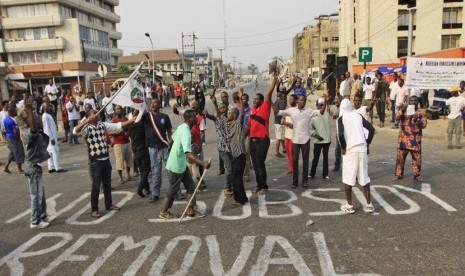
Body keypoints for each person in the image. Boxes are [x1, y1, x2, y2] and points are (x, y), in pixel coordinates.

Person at [73, 109, 136, 218]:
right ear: (89, 116)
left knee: (107, 184)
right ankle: (94, 209)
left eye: (97, 112)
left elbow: (117, 126)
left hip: (105, 159)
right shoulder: (87, 128)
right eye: (94, 113)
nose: (97, 114)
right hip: (95, 161)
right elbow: (75, 131)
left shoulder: (103, 125)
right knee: (96, 186)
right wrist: (87, 121)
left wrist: (131, 121)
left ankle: (109, 204)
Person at [159, 110, 210, 219]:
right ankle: (163, 211)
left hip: (180, 163)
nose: (196, 119)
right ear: (188, 119)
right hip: (176, 165)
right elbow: (189, 154)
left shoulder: (182, 126)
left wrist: (174, 150)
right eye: (194, 117)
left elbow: (172, 140)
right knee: (173, 189)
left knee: (190, 186)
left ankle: (191, 211)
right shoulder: (186, 131)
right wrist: (202, 163)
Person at [275, 94, 328, 188]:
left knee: (305, 161)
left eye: (304, 100)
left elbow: (321, 112)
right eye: (301, 100)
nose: (302, 102)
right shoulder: (291, 110)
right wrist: (270, 102)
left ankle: (305, 181)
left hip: (305, 140)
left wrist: (325, 102)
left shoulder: (309, 111)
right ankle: (295, 182)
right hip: (295, 140)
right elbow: (278, 112)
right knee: (295, 161)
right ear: (297, 101)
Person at [337, 99, 375, 214]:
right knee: (364, 176)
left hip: (350, 149)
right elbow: (372, 129)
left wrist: (343, 147)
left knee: (349, 177)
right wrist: (367, 142)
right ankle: (369, 205)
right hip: (362, 147)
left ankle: (349, 205)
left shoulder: (341, 118)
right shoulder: (358, 115)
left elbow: (341, 134)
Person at [245, 74, 278, 195]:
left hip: (262, 141)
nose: (254, 101)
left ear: (262, 101)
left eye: (256, 99)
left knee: (259, 163)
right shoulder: (252, 110)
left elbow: (268, 94)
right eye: (253, 99)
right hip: (252, 141)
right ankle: (259, 186)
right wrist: (241, 138)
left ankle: (264, 186)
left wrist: (274, 81)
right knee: (255, 164)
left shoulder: (265, 107)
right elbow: (248, 126)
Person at [23, 102, 52, 229]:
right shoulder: (28, 133)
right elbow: (33, 128)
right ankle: (35, 221)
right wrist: (29, 112)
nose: (39, 121)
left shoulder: (37, 133)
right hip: (32, 167)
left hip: (36, 166)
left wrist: (33, 114)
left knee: (41, 194)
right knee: (36, 195)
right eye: (36, 120)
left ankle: (42, 216)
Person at [142, 98, 172, 202]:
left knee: (170, 171)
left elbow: (169, 131)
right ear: (151, 106)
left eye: (156, 103)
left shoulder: (165, 117)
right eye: (153, 103)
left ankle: (175, 191)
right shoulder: (146, 117)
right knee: (156, 172)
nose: (154, 105)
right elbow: (137, 116)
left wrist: (170, 142)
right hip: (153, 149)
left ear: (159, 105)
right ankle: (155, 194)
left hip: (164, 147)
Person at [205, 86, 232, 197]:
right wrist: (207, 112)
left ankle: (230, 186)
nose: (222, 109)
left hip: (232, 148)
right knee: (229, 169)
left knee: (232, 169)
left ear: (227, 109)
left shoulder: (231, 117)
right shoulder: (217, 118)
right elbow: (212, 114)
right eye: (220, 108)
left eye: (223, 108)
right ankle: (226, 188)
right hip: (223, 148)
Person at [393, 96, 427, 181]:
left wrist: (416, 120)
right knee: (400, 158)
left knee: (417, 159)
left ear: (417, 102)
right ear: (408, 102)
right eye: (411, 100)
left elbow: (424, 125)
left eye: (415, 101)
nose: (413, 102)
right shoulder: (404, 111)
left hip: (415, 141)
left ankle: (417, 175)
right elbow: (396, 118)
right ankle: (398, 174)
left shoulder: (421, 113)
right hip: (403, 140)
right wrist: (401, 110)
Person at [128, 109, 151, 198]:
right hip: (143, 149)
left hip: (135, 150)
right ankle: (140, 188)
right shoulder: (141, 125)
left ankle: (147, 188)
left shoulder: (130, 126)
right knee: (147, 169)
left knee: (142, 170)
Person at [309, 98, 331, 180]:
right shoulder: (313, 115)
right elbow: (310, 128)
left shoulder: (326, 113)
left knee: (326, 158)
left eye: (322, 105)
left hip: (327, 140)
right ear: (316, 105)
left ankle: (325, 174)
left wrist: (326, 102)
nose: (321, 106)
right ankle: (312, 173)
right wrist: (316, 136)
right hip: (318, 141)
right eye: (320, 105)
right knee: (316, 158)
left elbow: (323, 110)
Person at [110, 105, 133, 184]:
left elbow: (129, 129)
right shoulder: (113, 120)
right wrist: (119, 132)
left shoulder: (126, 119)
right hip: (118, 143)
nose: (119, 110)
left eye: (120, 109)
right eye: (117, 109)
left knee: (129, 160)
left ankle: (128, 175)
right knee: (120, 162)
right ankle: (120, 177)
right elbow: (109, 132)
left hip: (127, 142)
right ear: (115, 111)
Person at [42, 103, 67, 173]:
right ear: (44, 108)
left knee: (50, 152)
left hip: (51, 136)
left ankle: (51, 167)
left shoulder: (48, 115)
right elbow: (47, 128)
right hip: (50, 137)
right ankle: (58, 167)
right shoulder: (45, 116)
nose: (48, 108)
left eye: (48, 106)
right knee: (55, 152)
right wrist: (51, 138)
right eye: (46, 107)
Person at [3, 106, 25, 174]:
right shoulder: (12, 121)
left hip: (8, 137)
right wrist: (19, 138)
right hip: (14, 138)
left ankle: (6, 167)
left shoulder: (5, 119)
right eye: (15, 111)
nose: (16, 112)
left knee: (12, 152)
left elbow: (4, 129)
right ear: (12, 112)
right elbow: (15, 131)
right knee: (18, 152)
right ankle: (20, 170)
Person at [281, 94, 297, 175]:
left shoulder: (297, 111)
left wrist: (286, 123)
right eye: (289, 99)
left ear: (296, 100)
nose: (290, 101)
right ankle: (290, 168)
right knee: (288, 153)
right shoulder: (287, 109)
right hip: (287, 135)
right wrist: (283, 118)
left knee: (292, 153)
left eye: (292, 99)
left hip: (293, 136)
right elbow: (282, 120)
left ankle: (294, 169)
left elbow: (295, 126)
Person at [241, 92, 252, 182]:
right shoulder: (237, 109)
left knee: (246, 155)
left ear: (247, 100)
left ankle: (246, 173)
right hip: (238, 135)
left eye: (245, 99)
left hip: (247, 135)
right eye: (242, 99)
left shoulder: (251, 110)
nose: (243, 100)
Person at [272, 88, 286, 157]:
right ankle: (277, 152)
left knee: (281, 136)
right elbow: (282, 112)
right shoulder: (281, 102)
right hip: (280, 122)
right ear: (281, 96)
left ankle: (284, 148)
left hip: (276, 121)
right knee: (279, 138)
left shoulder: (275, 102)